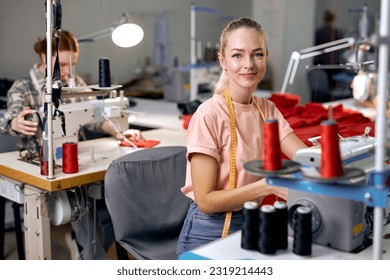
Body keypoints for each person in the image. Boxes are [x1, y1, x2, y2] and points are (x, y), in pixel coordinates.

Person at [0, 30, 143, 259]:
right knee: (88, 201)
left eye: (72, 64)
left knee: (114, 196)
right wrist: (14, 122)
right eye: (62, 65)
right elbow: (8, 118)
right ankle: (82, 251)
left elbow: (95, 118)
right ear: (44, 59)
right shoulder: (24, 86)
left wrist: (119, 129)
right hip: (38, 163)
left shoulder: (74, 82)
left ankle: (90, 255)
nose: (67, 72)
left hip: (74, 157)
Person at [176, 17, 307, 255]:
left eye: (257, 54)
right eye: (237, 55)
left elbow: (306, 157)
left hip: (251, 222)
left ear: (266, 56)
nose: (249, 64)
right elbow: (205, 201)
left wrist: (341, 155)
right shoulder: (209, 115)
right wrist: (268, 186)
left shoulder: (266, 109)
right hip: (209, 229)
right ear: (222, 60)